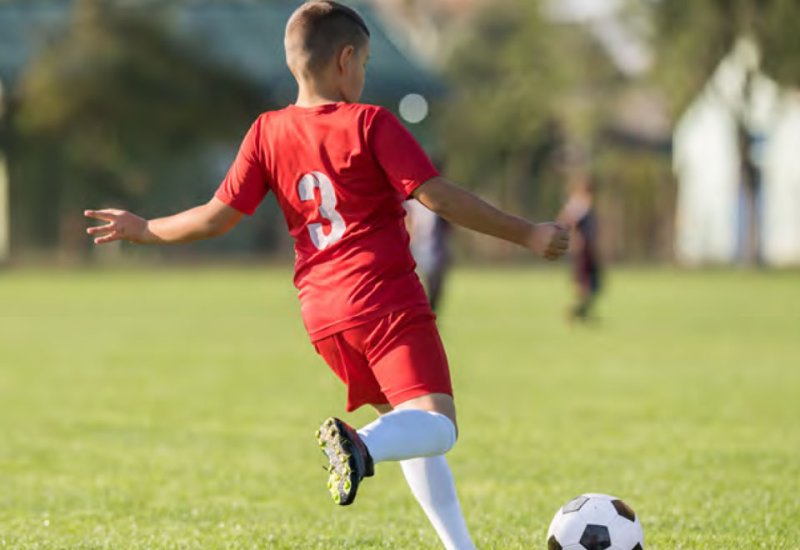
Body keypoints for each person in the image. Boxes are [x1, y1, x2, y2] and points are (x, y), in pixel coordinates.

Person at [84, 2, 569, 548]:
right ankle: (359, 446)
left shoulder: (266, 132)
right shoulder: (370, 123)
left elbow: (216, 216)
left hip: (324, 317)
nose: (363, 75)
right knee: (438, 426)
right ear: (345, 60)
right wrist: (527, 233)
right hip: (384, 300)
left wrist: (144, 228)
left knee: (407, 428)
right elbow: (439, 198)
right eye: (364, 63)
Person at [558, 175, 602, 322]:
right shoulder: (579, 203)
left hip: (587, 250)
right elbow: (566, 221)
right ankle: (574, 312)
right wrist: (575, 238)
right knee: (586, 284)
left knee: (594, 284)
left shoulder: (584, 202)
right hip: (581, 251)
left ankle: (581, 313)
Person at [404, 198, 451, 312]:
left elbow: (447, 227)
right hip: (413, 250)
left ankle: (430, 313)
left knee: (434, 288)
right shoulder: (408, 204)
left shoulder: (436, 202)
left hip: (435, 252)